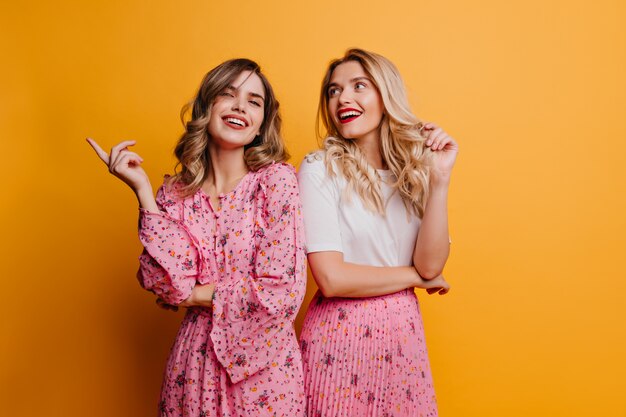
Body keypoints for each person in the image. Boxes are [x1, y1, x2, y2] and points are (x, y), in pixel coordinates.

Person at [87, 59, 306, 417]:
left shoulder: (276, 182)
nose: (240, 107)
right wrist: (142, 190)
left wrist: (199, 294)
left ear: (262, 124)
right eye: (228, 94)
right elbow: (168, 284)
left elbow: (282, 290)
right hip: (192, 367)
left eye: (254, 101)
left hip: (265, 374)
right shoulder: (175, 194)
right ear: (208, 106)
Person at [297, 48, 458, 417]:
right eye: (334, 90)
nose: (343, 98)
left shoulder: (416, 174)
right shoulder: (319, 168)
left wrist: (440, 179)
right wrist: (414, 277)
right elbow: (331, 279)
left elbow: (432, 265)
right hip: (339, 341)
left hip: (404, 339)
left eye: (359, 86)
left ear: (386, 96)